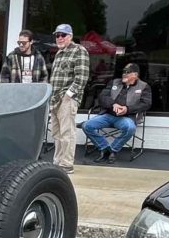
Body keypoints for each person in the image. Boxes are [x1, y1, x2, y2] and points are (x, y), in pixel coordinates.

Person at [82, 63, 152, 164]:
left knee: (130, 128)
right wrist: (113, 104)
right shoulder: (114, 82)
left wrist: (127, 109)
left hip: (126, 117)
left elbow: (146, 104)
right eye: (123, 72)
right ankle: (104, 148)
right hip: (108, 115)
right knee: (86, 125)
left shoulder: (144, 86)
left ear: (135, 75)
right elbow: (102, 97)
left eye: (127, 72)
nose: (124, 74)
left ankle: (113, 150)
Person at [47, 23, 90, 174]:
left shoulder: (79, 50)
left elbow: (82, 77)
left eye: (63, 35)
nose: (59, 38)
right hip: (54, 99)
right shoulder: (59, 53)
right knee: (56, 133)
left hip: (67, 98)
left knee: (67, 132)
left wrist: (68, 95)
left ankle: (66, 164)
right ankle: (57, 162)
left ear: (70, 36)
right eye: (57, 35)